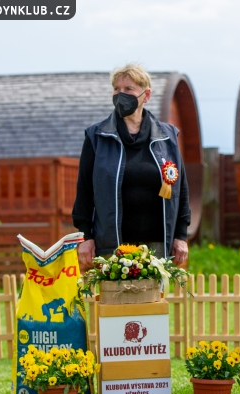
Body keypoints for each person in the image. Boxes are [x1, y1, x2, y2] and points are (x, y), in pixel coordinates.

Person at [73, 64, 191, 268]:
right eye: (116, 89)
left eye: (128, 89)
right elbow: (84, 191)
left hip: (157, 247)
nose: (121, 94)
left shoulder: (168, 136)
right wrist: (85, 236)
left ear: (146, 95)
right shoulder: (96, 137)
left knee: (153, 292)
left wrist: (180, 235)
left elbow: (182, 191)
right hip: (112, 247)